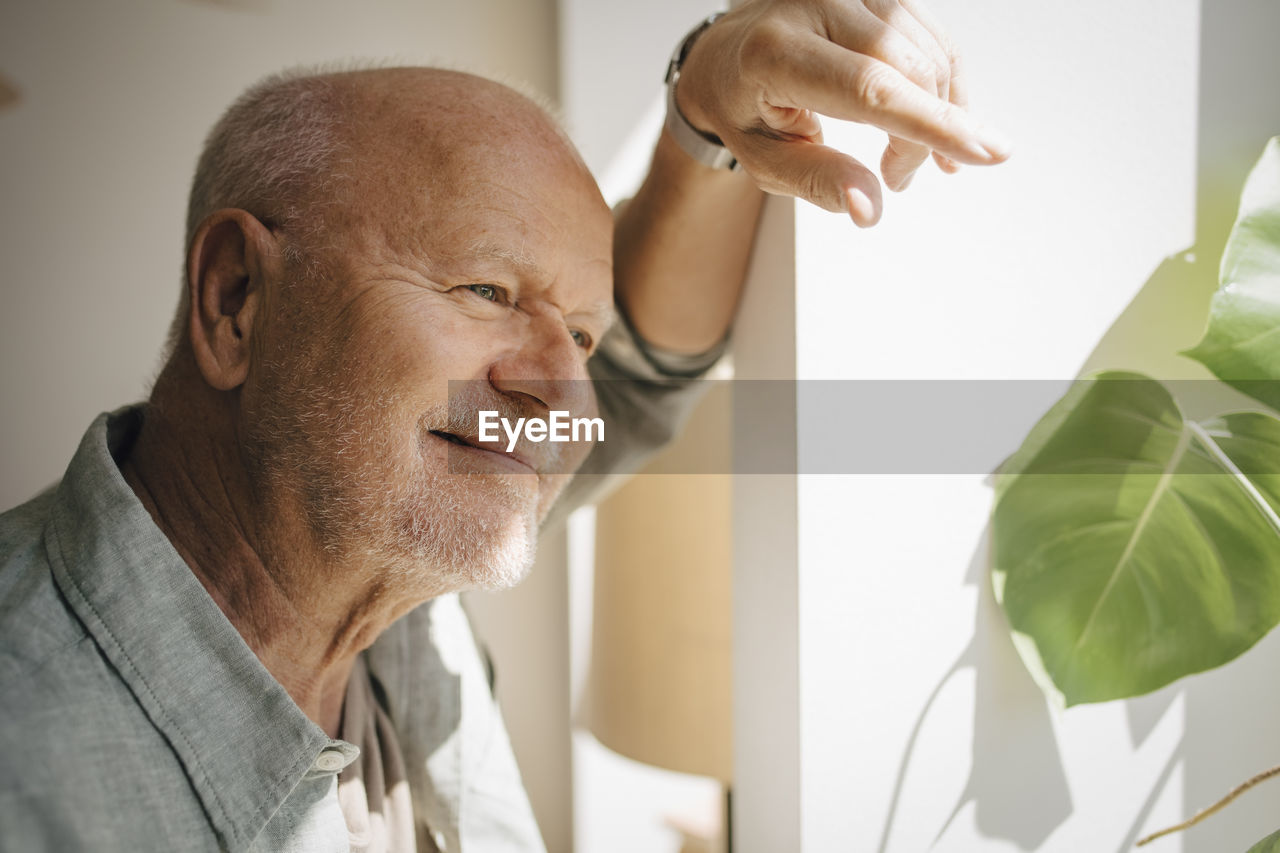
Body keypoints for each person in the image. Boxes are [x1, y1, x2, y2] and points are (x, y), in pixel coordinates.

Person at [0, 2, 1009, 850]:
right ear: (236, 301)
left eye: (577, 330)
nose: (559, 387)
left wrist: (703, 112)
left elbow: (632, 379)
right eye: (484, 287)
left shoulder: (394, 551)